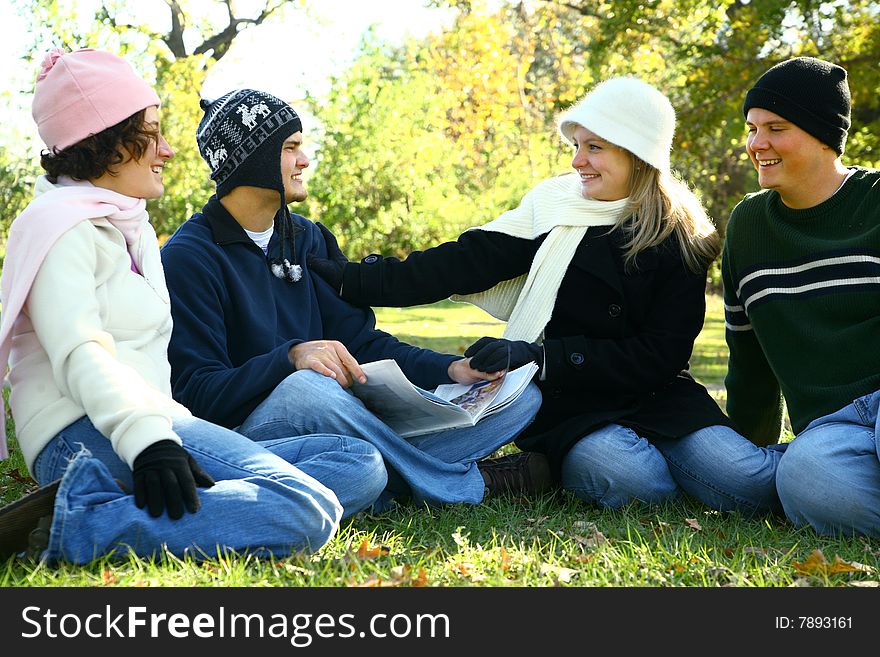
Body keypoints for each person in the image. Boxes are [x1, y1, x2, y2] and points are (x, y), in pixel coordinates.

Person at [309, 77, 783, 514]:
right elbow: (460, 263)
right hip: (575, 404)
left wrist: (542, 354)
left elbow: (661, 352)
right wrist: (355, 279)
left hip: (661, 395)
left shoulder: (681, 235)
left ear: (638, 156)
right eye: (577, 146)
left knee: (747, 483)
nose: (578, 161)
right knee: (636, 482)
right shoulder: (556, 208)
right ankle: (550, 470)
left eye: (594, 148)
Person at [0, 48, 388, 564]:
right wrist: (149, 444)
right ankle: (77, 525)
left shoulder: (129, 229)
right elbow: (80, 353)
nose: (167, 150)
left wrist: (167, 435)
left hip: (160, 422)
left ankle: (137, 507)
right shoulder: (60, 228)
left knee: (358, 461)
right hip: (84, 434)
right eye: (152, 133)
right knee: (306, 507)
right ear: (108, 140)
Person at [158, 89, 544, 511]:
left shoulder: (308, 239)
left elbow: (362, 344)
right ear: (250, 159)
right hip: (253, 434)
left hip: (342, 423)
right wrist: (290, 359)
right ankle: (464, 484)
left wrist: (451, 369)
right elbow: (198, 395)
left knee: (519, 397)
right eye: (290, 148)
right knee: (308, 387)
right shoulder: (189, 257)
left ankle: (393, 483)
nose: (304, 160)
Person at [722, 57, 880, 536]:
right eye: (751, 129)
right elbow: (748, 360)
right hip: (834, 430)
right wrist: (746, 450)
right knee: (805, 477)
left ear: (823, 135)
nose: (757, 144)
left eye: (776, 127)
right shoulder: (748, 226)